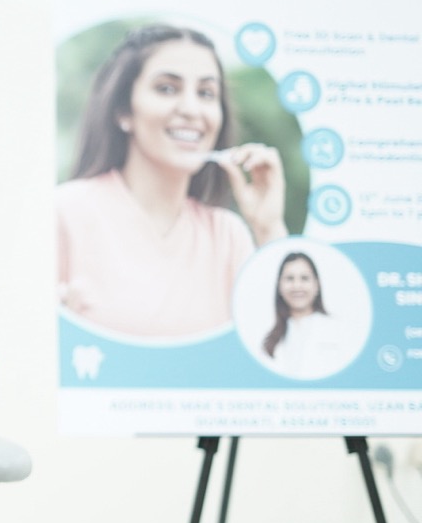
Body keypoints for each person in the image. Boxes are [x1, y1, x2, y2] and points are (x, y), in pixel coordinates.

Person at [56, 24, 288, 338]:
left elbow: (276, 350)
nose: (192, 110)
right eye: (167, 88)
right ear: (124, 110)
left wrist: (269, 229)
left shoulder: (228, 235)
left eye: (206, 93)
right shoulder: (65, 212)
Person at [262, 251, 349, 379]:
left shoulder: (337, 330)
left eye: (304, 278)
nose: (297, 286)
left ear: (317, 285)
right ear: (279, 286)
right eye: (289, 279)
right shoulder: (270, 339)